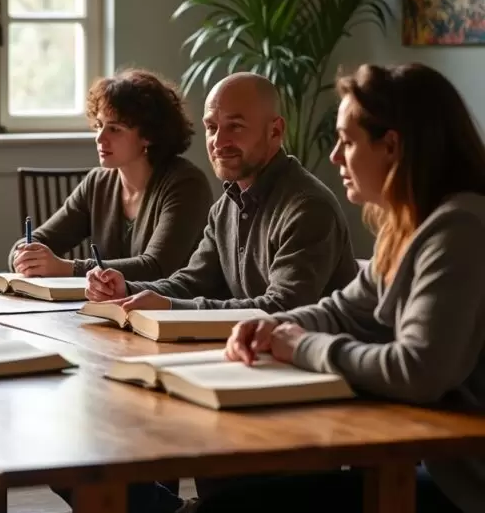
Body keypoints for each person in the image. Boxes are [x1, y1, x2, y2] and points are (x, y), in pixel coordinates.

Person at [196, 63, 485, 513]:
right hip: (440, 466)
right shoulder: (409, 227)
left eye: (347, 142)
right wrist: (272, 325)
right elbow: (343, 311)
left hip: (467, 488)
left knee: (232, 507)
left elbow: (417, 370)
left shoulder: (459, 228)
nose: (334, 157)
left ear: (391, 147)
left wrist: (301, 346)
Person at [86, 72, 358, 315]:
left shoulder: (308, 209)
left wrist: (171, 307)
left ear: (275, 131)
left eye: (235, 126)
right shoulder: (227, 205)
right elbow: (193, 282)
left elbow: (282, 308)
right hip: (251, 356)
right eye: (212, 128)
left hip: (308, 367)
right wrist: (127, 289)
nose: (218, 141)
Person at [8, 68, 212, 280]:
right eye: (99, 125)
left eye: (114, 129)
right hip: (109, 308)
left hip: (174, 310)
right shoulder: (98, 183)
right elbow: (40, 239)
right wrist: (23, 255)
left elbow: (155, 267)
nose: (100, 138)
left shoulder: (186, 184)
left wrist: (67, 268)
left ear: (149, 135)